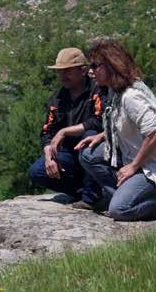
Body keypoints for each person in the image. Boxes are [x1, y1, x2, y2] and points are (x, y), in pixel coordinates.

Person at [76, 40, 156, 221]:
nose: (91, 71)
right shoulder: (116, 91)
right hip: (134, 155)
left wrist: (133, 166)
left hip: (153, 164)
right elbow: (123, 123)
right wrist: (102, 136)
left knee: (119, 210)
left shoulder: (131, 96)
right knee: (88, 155)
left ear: (111, 66)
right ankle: (129, 193)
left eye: (95, 66)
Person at [28, 48, 108, 208]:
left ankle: (91, 199)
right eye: (59, 72)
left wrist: (64, 131)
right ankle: (85, 192)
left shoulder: (97, 90)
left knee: (90, 136)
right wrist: (49, 155)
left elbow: (99, 122)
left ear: (83, 70)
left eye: (67, 71)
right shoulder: (57, 98)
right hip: (70, 155)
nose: (62, 76)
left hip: (97, 153)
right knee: (36, 171)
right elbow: (46, 132)